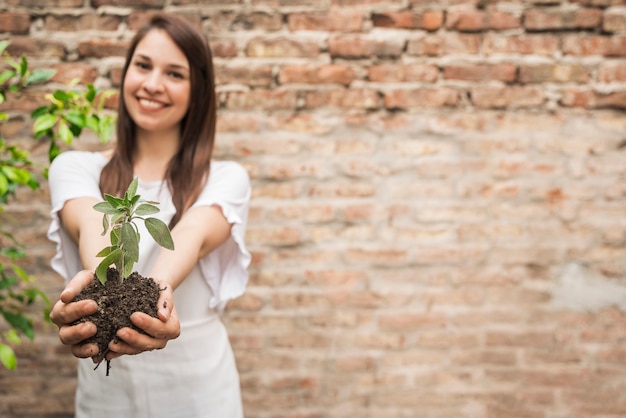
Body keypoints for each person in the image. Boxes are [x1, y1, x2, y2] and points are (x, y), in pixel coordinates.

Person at [47, 12, 251, 418]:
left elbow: (190, 234)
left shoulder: (227, 178)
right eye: (143, 66)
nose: (153, 84)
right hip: (108, 392)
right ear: (125, 74)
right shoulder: (76, 167)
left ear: (199, 91)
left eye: (175, 74)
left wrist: (155, 292)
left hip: (199, 389)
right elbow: (91, 222)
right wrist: (104, 288)